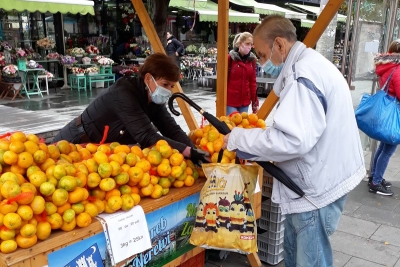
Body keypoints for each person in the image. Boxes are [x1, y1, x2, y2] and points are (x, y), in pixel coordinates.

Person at [222, 15, 366, 266]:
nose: (262, 63)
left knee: (309, 260)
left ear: (279, 45)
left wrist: (239, 138)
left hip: (315, 187)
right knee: (297, 255)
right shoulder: (309, 64)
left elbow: (291, 140)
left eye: (263, 55)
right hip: (322, 177)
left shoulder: (303, 76)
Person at [52, 53, 209, 166]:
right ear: (148, 78)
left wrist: (194, 151)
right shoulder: (123, 93)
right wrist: (187, 151)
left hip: (103, 153)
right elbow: (147, 136)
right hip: (76, 142)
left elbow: (171, 129)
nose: (168, 91)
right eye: (165, 85)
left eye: (171, 87)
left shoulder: (152, 98)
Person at [368, 40, 400, 196]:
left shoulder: (387, 66)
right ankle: (375, 182)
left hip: (386, 111)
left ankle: (375, 177)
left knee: (383, 147)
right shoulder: (398, 70)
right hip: (394, 114)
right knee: (388, 150)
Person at [227, 32, 258, 115]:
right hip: (231, 101)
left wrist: (255, 102)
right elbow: (223, 80)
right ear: (240, 43)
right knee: (231, 126)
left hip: (245, 101)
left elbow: (253, 82)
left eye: (251, 44)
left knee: (242, 126)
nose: (249, 46)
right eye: (247, 43)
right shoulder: (230, 58)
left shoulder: (252, 60)